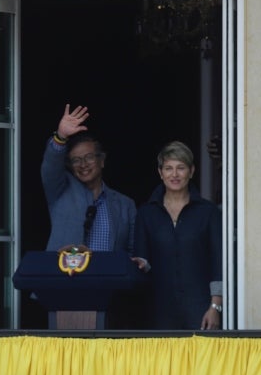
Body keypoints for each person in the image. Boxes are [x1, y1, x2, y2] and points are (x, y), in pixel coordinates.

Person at [132, 141, 223, 330]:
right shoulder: (146, 213)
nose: (174, 174)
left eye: (181, 168)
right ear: (160, 173)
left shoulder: (208, 212)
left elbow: (218, 262)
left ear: (191, 171)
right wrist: (140, 263)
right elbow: (142, 261)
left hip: (200, 310)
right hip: (158, 311)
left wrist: (215, 307)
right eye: (168, 168)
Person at [41, 104, 136, 252]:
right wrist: (60, 137)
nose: (83, 164)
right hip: (66, 268)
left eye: (89, 157)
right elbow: (50, 168)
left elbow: (132, 252)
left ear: (102, 160)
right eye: (76, 160)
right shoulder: (60, 192)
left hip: (108, 268)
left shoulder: (125, 205)